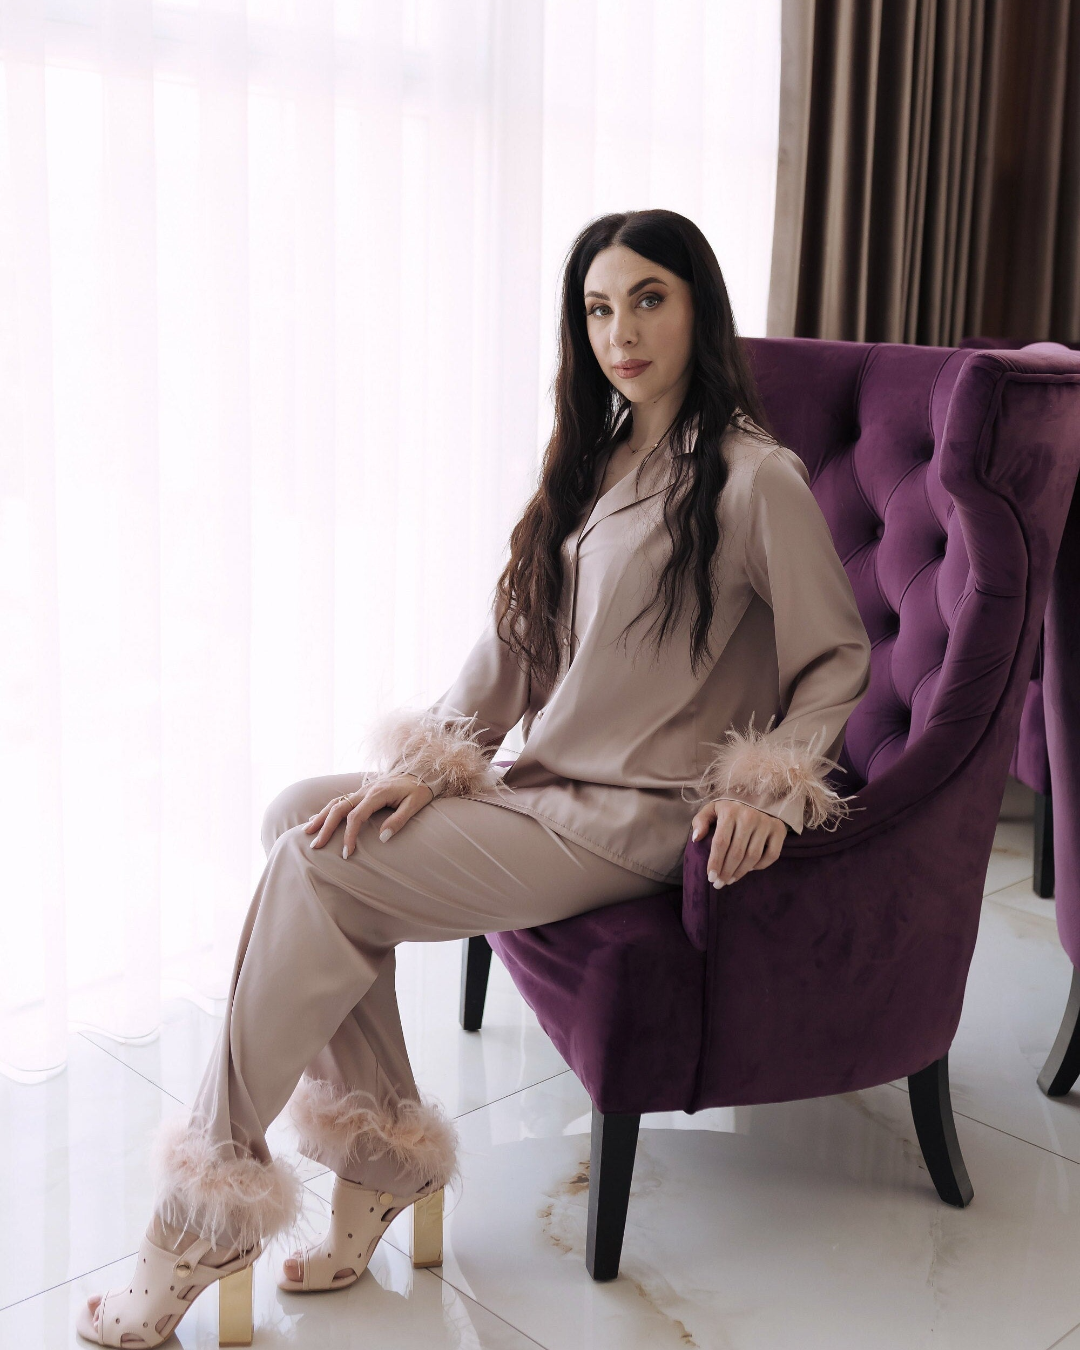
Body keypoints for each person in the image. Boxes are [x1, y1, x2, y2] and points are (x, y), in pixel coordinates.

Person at [76, 208, 871, 1346]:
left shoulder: (755, 479)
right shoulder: (595, 466)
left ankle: (199, 1218)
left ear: (699, 305)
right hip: (542, 789)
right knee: (300, 815)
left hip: (628, 819)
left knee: (321, 866)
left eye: (648, 298)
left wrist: (770, 785)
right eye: (599, 308)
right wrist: (435, 761)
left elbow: (837, 656)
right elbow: (512, 653)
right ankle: (381, 1159)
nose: (621, 331)